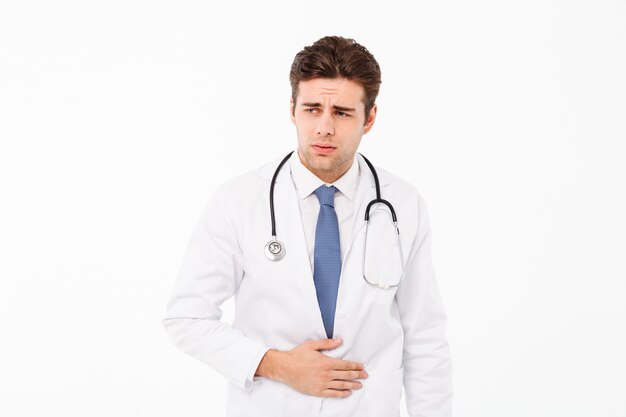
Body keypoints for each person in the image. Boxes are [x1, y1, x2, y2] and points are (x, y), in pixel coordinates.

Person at [162, 35, 453, 417]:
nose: (325, 127)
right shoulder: (238, 201)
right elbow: (186, 317)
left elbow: (425, 338)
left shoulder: (403, 204)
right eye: (313, 109)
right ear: (292, 109)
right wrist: (278, 365)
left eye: (343, 113)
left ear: (370, 118)